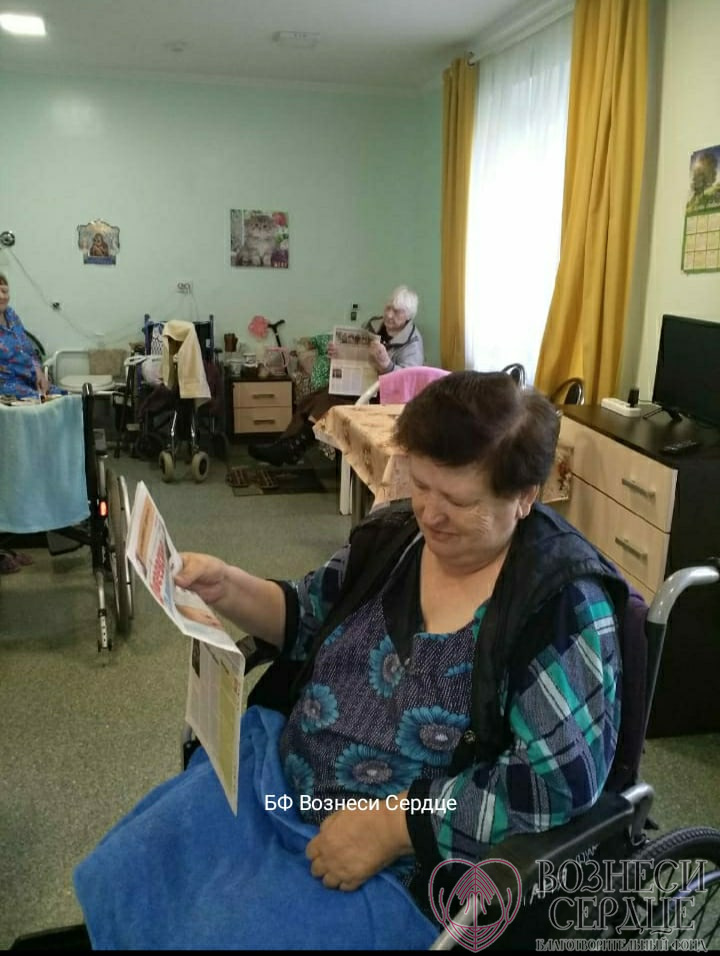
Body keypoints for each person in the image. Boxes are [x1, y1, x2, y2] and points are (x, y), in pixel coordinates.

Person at [71, 371, 628, 950]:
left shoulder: (560, 606)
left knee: (217, 934)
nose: (430, 514)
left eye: (459, 501)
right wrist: (228, 586)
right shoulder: (393, 537)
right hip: (279, 781)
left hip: (404, 863)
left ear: (525, 497)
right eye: (422, 485)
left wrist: (394, 827)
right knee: (132, 867)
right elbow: (306, 615)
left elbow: (553, 786)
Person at [248, 284, 424, 466]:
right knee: (311, 398)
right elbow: (355, 355)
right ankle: (285, 445)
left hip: (380, 397)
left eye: (397, 312)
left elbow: (409, 380)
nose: (389, 315)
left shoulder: (412, 342)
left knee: (328, 402)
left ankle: (290, 450)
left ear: (408, 316)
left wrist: (387, 364)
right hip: (359, 385)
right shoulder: (372, 325)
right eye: (388, 308)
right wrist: (338, 352)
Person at [0, 272, 59, 399]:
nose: (1, 296)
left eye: (4, 291)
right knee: (43, 402)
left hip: (30, 379)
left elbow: (28, 351)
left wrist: (39, 374)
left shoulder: (11, 315)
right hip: (7, 386)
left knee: (63, 396)